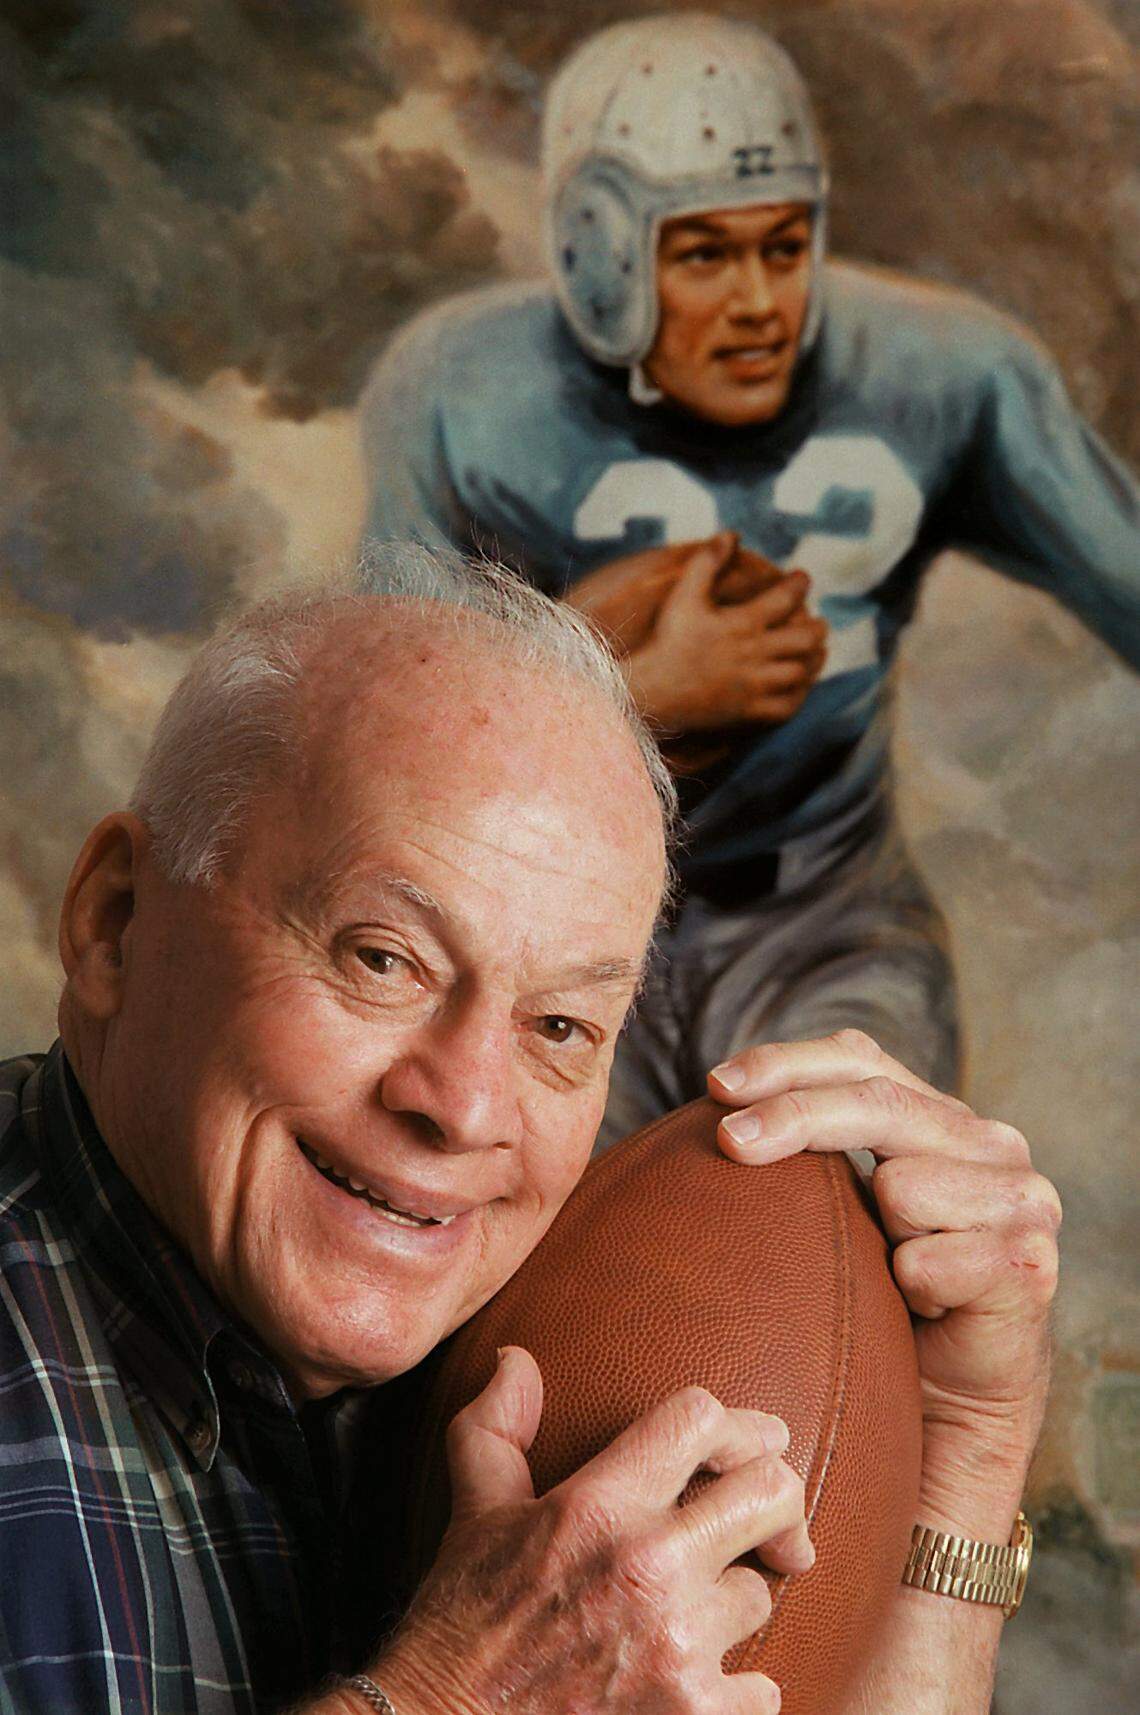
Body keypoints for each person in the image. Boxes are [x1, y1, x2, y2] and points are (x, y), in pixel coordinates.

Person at [0, 545, 1060, 1715]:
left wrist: (962, 1456)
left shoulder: (563, 1392)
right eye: (383, 958)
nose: (462, 1106)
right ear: (114, 923)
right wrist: (458, 1691)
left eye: (559, 1022)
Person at [359, 11, 1140, 1142]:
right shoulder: (463, 394)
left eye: (783, 248)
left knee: (837, 1242)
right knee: (523, 1273)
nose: (761, 302)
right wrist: (625, 703)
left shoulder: (946, 372)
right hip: (537, 945)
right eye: (707, 254)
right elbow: (388, 759)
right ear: (604, 251)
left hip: (821, 926)